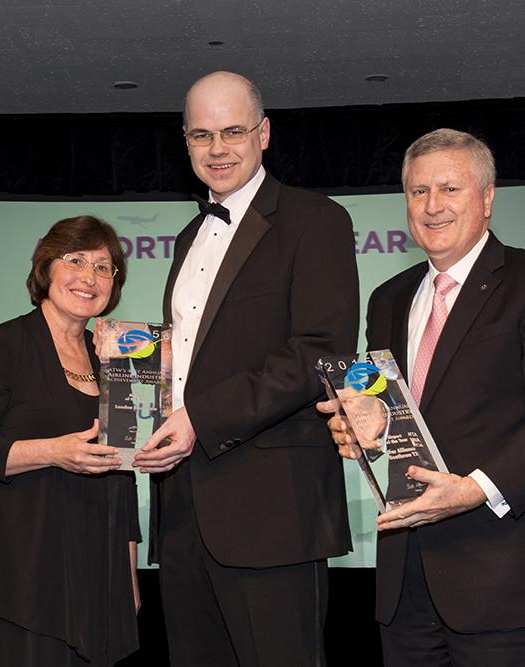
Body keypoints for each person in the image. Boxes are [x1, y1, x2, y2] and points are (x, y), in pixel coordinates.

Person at [323, 128, 525, 665]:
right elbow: (399, 414)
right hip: (406, 589)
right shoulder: (388, 298)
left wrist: (477, 488)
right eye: (419, 191)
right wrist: (367, 426)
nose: (432, 206)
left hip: (510, 581)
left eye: (450, 189)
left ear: (487, 198)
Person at [133, 71, 360, 666]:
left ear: (264, 133)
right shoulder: (187, 236)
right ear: (185, 141)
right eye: (201, 135)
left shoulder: (316, 219)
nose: (217, 149)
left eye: (232, 131)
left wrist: (198, 419)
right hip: (183, 508)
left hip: (272, 511)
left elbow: (319, 352)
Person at [0, 216, 140, 666]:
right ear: (46, 268)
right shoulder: (2, 344)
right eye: (75, 260)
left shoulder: (115, 359)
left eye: (104, 267)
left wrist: (128, 574)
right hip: (19, 576)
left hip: (96, 573)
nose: (89, 277)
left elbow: (123, 471)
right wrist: (54, 452)